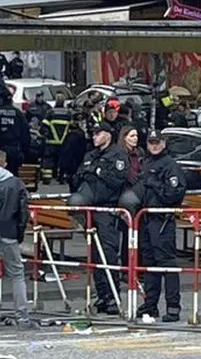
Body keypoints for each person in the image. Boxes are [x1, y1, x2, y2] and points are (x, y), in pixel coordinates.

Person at [0, 149, 36, 327]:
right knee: (17, 274)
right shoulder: (15, 183)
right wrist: (19, 234)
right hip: (8, 232)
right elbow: (23, 212)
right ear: (5, 163)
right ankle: (22, 316)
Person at [74, 122, 129, 314]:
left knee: (108, 253)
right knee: (95, 255)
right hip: (91, 209)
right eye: (94, 133)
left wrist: (98, 171)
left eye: (98, 133)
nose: (94, 137)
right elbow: (78, 176)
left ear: (108, 135)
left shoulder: (118, 155)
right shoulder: (91, 155)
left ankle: (113, 296)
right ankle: (103, 294)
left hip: (108, 209)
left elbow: (117, 180)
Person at [135, 131, 187, 322]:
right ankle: (150, 304)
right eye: (151, 142)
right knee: (149, 265)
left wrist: (155, 184)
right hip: (146, 219)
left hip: (162, 220)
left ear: (164, 143)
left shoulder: (170, 165)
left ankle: (173, 307)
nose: (154, 146)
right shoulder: (146, 163)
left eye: (157, 142)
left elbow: (175, 193)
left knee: (167, 264)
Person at [0, 92, 29, 176]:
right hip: (15, 149)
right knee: (13, 173)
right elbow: (25, 132)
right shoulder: (18, 113)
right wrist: (24, 150)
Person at [40, 95, 72, 184]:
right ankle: (61, 177)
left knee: (48, 159)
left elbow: (44, 126)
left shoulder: (50, 113)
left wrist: (43, 135)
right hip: (64, 142)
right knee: (63, 160)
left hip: (51, 141)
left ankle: (46, 179)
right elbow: (72, 126)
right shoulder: (68, 113)